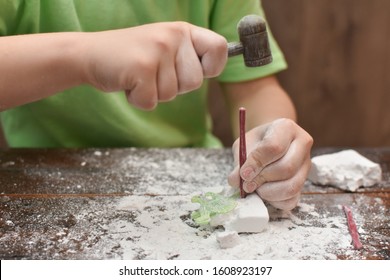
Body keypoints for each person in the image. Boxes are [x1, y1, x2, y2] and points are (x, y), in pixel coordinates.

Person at [0, 0, 313, 210]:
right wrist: (83, 55)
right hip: (44, 181)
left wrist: (273, 139)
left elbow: (255, 88)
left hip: (192, 174)